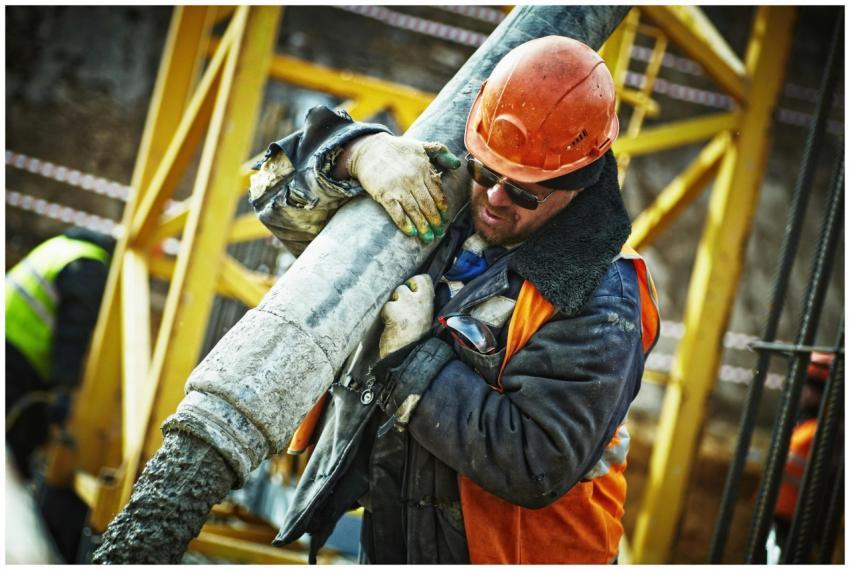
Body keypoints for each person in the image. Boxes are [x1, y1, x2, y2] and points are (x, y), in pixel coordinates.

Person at [249, 36, 660, 564]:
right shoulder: (445, 193)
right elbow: (270, 194)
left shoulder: (605, 298)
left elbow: (536, 460)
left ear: (577, 185)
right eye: (488, 172)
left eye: (523, 192)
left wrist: (412, 358)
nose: (492, 199)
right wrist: (354, 154)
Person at [5, 227, 115, 478]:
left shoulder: (61, 246)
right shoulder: (90, 265)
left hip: (12, 344)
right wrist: (63, 388)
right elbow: (72, 333)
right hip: (19, 355)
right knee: (16, 441)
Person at [766, 351, 835, 563]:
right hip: (780, 512)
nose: (803, 393)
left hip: (800, 518)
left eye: (811, 388)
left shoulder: (821, 431)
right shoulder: (801, 425)